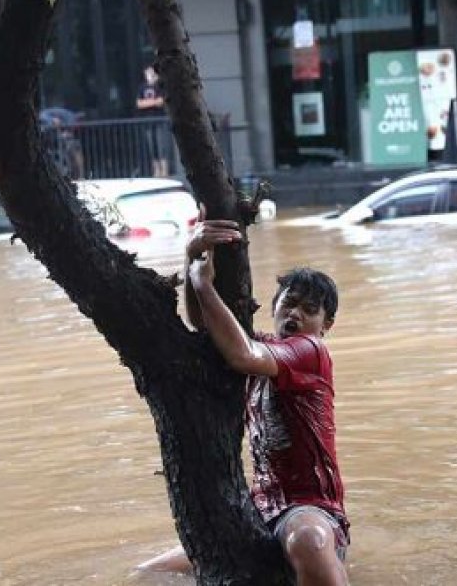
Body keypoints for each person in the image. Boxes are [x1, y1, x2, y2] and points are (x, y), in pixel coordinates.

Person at [137, 212, 349, 585]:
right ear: (274, 308)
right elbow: (206, 327)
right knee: (150, 574)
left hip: (310, 508)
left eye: (309, 310)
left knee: (309, 541)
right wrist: (193, 259)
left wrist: (204, 285)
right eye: (289, 304)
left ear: (325, 326)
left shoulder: (311, 351)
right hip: (256, 509)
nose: (295, 314)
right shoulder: (262, 347)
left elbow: (241, 355)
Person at [136, 64, 171, 178]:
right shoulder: (142, 87)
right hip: (147, 121)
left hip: (159, 120)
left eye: (152, 72)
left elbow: (161, 101)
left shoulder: (159, 86)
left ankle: (164, 169)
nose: (150, 75)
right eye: (147, 72)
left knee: (161, 145)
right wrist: (153, 102)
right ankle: (156, 169)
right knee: (152, 146)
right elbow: (139, 104)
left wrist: (148, 103)